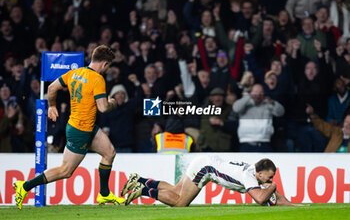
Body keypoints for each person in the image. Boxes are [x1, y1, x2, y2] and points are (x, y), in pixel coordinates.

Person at [13, 45, 125, 209]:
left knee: (109, 153)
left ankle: (104, 193)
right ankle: (24, 186)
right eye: (108, 66)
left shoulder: (75, 73)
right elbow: (103, 108)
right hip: (80, 130)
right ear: (104, 64)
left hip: (86, 126)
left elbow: (52, 88)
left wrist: (52, 105)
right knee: (65, 171)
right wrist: (113, 103)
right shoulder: (97, 79)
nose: (107, 70)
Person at [120, 156, 300, 206]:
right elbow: (261, 199)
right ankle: (142, 190)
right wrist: (274, 185)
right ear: (260, 173)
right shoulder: (249, 176)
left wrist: (292, 205)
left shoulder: (256, 173)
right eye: (269, 177)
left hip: (205, 162)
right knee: (179, 202)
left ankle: (140, 180)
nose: (270, 180)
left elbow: (272, 193)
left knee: (175, 190)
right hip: (205, 169)